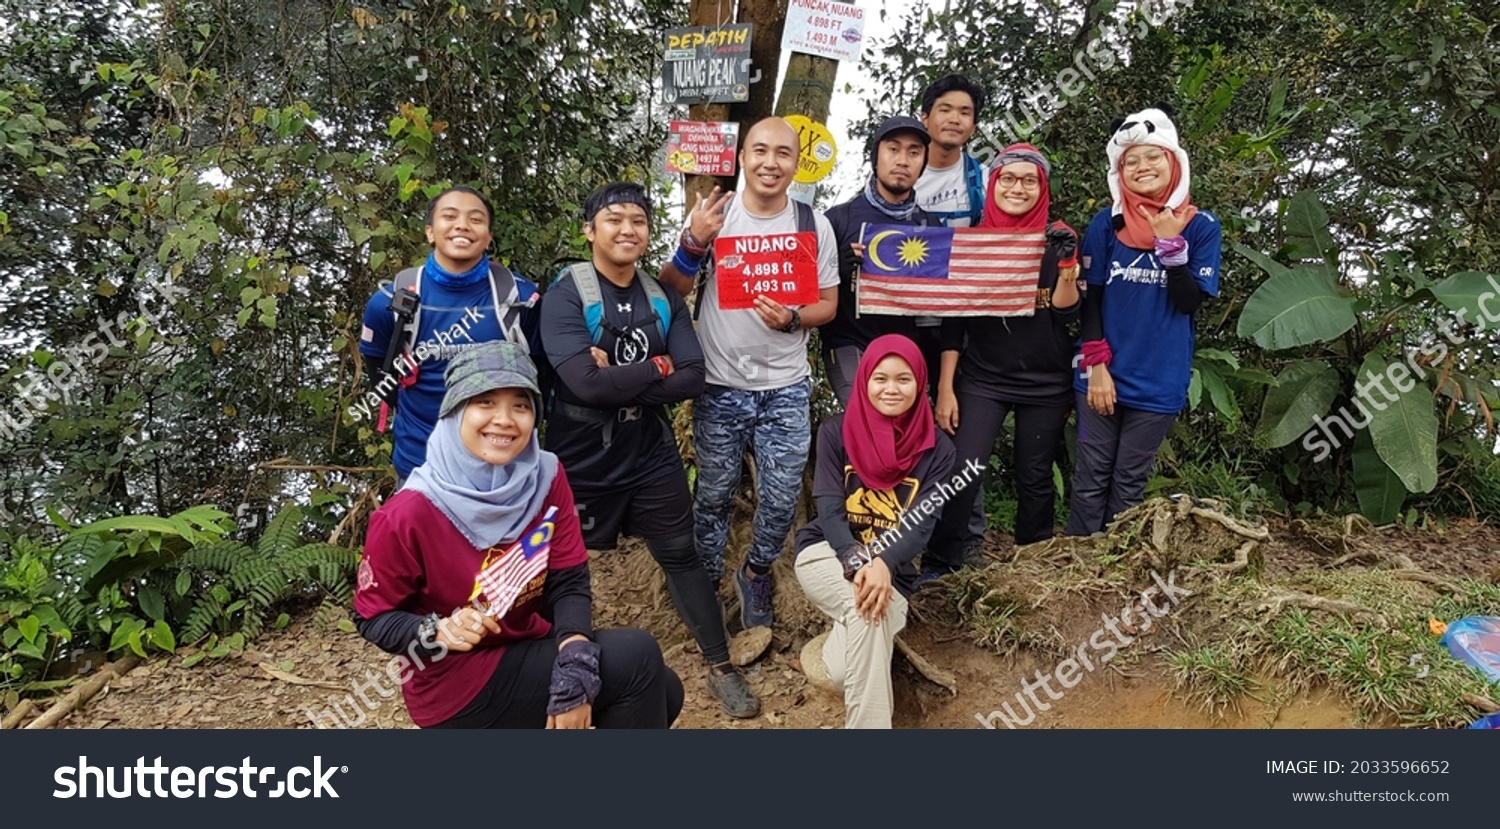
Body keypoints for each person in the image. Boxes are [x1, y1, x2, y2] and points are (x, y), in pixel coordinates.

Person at [352, 341, 682, 728]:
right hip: (456, 681)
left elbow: (568, 580)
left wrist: (575, 662)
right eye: (485, 402)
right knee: (637, 657)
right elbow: (371, 618)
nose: (505, 419)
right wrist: (435, 629)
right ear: (455, 411)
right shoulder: (408, 513)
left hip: (524, 642)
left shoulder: (545, 476)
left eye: (520, 405)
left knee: (664, 688)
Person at [539, 182, 760, 719]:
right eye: (613, 220)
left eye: (637, 221)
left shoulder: (660, 296)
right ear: (589, 231)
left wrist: (618, 373)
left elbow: (693, 377)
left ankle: (719, 664)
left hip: (648, 451)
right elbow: (585, 386)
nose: (626, 229)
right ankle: (554, 667)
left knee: (680, 553)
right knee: (558, 563)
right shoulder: (568, 293)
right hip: (579, 455)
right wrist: (657, 366)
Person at [672, 117, 840, 631]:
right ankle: (705, 585)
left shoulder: (813, 224)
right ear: (743, 156)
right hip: (720, 386)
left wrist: (793, 316)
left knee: (783, 496)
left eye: (783, 154)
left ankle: (756, 571)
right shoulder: (716, 217)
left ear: (796, 163)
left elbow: (828, 304)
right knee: (715, 495)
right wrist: (693, 242)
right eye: (760, 151)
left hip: (785, 388)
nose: (771, 163)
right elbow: (669, 290)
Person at [1066, 107, 1222, 535]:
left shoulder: (1201, 227)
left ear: (1174, 161)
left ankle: (1114, 568)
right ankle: (1076, 568)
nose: (1141, 167)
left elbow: (1189, 302)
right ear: (1120, 173)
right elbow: (1090, 298)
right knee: (1090, 479)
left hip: (1159, 380)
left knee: (1128, 483)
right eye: (1130, 161)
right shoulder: (1106, 224)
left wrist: (1170, 243)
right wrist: (1097, 366)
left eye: (1152, 156)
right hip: (1101, 373)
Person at [926, 144, 1081, 573]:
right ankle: (944, 559)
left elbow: (1069, 311)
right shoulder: (971, 242)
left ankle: (1033, 561)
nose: (1018, 187)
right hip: (982, 377)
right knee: (964, 467)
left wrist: (1067, 262)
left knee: (1034, 474)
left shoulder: (1058, 238)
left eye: (1029, 180)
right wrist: (945, 388)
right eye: (1008, 179)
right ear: (993, 184)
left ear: (1043, 187)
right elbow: (954, 321)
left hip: (1047, 382)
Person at [793, 335, 956, 728]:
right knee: (865, 609)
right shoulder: (836, 432)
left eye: (903, 379)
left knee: (837, 671)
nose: (891, 388)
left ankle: (838, 637)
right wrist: (859, 559)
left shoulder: (940, 451)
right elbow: (830, 510)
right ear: (864, 381)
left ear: (921, 384)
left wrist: (883, 561)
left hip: (893, 574)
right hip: (827, 553)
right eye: (880, 378)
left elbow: (921, 526)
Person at [357, 186, 540, 489]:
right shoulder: (390, 300)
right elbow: (379, 370)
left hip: (501, 464)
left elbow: (539, 374)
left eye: (476, 219)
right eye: (450, 216)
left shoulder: (520, 298)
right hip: (421, 463)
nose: (462, 226)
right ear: (430, 232)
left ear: (489, 236)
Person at [820, 115, 934, 405]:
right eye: (893, 149)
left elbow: (939, 310)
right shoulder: (837, 219)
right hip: (849, 342)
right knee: (866, 417)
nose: (903, 160)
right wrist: (837, 272)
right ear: (875, 157)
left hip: (909, 347)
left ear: (923, 163)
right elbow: (807, 291)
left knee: (904, 436)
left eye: (914, 152)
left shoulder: (933, 226)